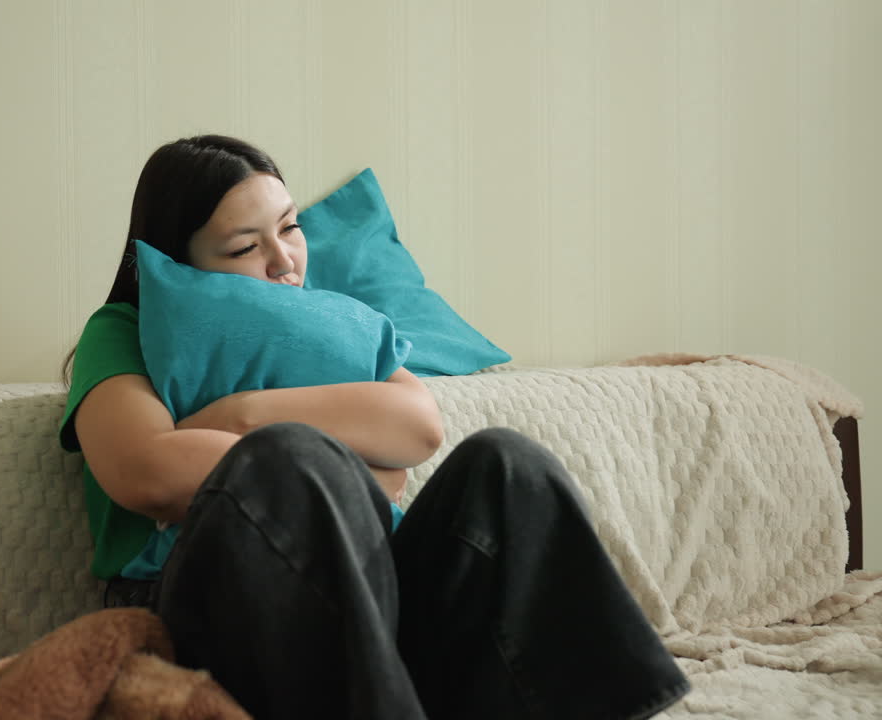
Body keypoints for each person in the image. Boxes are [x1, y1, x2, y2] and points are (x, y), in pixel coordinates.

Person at [59, 134, 690, 719]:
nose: (284, 261)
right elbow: (146, 472)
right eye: (246, 247)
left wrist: (239, 415)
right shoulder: (119, 331)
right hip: (213, 603)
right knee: (289, 455)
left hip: (370, 588)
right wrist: (337, 459)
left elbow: (418, 428)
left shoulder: (327, 323)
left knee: (508, 464)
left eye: (290, 228)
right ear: (178, 259)